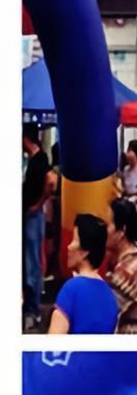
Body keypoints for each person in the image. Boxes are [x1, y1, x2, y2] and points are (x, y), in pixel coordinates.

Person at [48, 215, 118, 334]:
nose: (69, 246)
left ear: (85, 252)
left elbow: (54, 340)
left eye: (74, 240)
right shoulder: (110, 296)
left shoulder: (72, 289)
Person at [106, 198, 137, 334]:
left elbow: (104, 312)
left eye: (107, 225)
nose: (103, 230)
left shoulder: (126, 271)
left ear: (121, 231)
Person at [23, 124, 52, 330]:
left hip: (33, 216)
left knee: (31, 261)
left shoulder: (40, 159)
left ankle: (32, 310)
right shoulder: (33, 158)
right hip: (31, 214)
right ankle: (32, 307)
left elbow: (50, 183)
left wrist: (38, 204)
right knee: (31, 260)